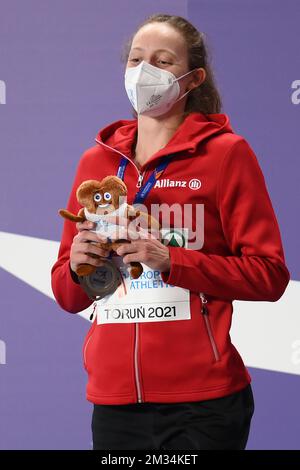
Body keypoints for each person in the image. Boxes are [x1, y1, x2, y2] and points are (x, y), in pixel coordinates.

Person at [51, 13, 290, 450]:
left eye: (162, 62)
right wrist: (79, 267)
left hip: (203, 403)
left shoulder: (227, 155)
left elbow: (269, 275)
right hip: (114, 401)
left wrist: (171, 260)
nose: (145, 72)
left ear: (193, 78)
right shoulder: (96, 165)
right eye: (136, 59)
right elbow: (69, 296)